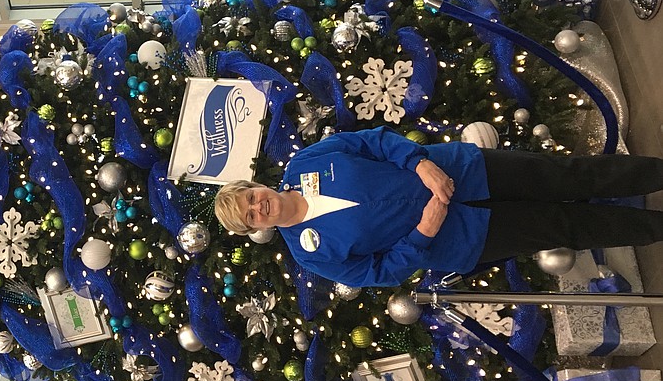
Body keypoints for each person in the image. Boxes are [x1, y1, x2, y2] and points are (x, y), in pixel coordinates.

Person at [213, 127, 663, 288]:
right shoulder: (311, 252)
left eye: (251, 197)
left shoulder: (306, 161)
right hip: (464, 236)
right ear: (254, 228)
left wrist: (420, 162)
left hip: (463, 169)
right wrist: (425, 231)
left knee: (570, 176)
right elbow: (381, 273)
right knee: (567, 227)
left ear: (255, 184)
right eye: (250, 215)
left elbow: (372, 141)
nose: (259, 206)